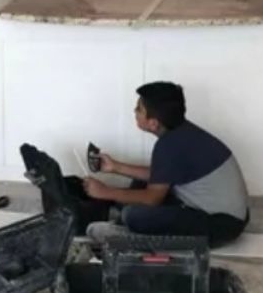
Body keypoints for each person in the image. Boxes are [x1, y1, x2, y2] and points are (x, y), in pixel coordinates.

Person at [82, 81, 250, 249]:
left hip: (220, 225)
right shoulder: (183, 132)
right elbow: (161, 175)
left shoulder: (169, 145)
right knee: (140, 186)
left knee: (135, 215)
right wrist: (115, 167)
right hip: (226, 215)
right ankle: (122, 219)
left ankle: (128, 234)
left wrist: (105, 192)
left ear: (153, 123)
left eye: (139, 109)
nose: (135, 112)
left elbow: (152, 198)